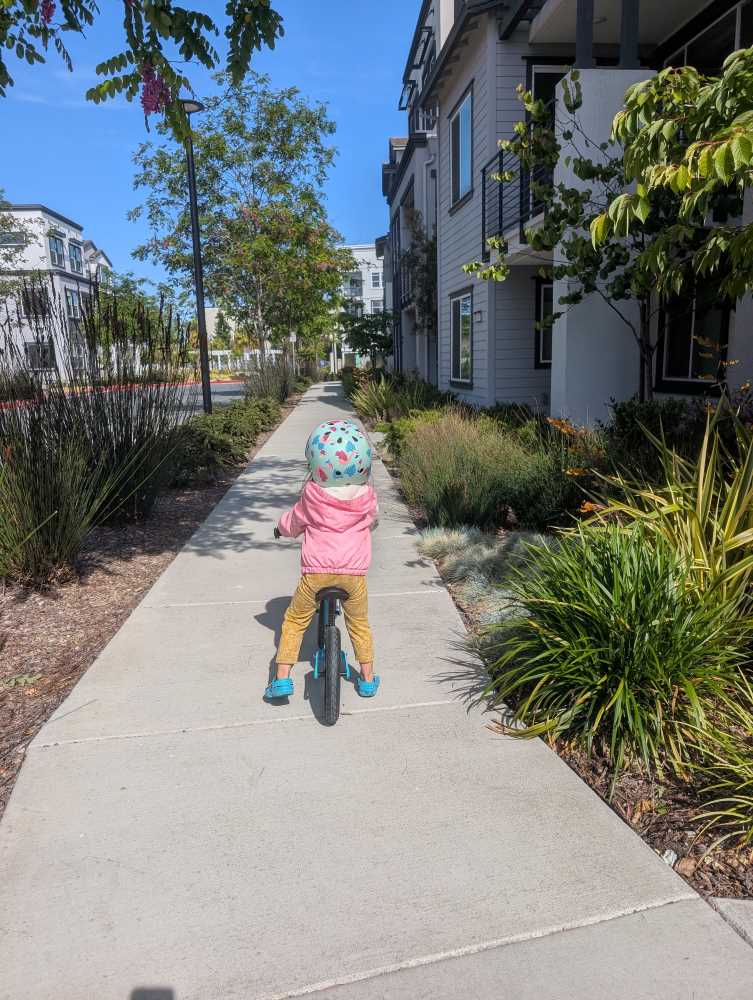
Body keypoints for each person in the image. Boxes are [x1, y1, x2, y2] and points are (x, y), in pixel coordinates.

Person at [266, 418, 380, 701]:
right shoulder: (367, 498)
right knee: (360, 624)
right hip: (353, 576)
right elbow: (373, 521)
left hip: (316, 574)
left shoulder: (312, 496)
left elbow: (293, 522)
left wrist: (281, 529)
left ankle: (281, 679)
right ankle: (366, 680)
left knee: (294, 621)